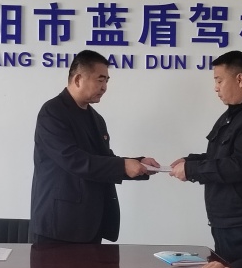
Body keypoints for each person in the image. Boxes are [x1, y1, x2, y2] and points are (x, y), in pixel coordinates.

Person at [170, 50, 242, 262]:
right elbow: (221, 156)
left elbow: (241, 164)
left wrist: (192, 170)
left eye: (219, 80)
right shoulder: (235, 114)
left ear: (240, 79)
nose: (215, 87)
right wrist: (191, 161)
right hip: (233, 224)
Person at [30, 50, 159, 243]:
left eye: (107, 80)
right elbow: (74, 160)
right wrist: (123, 166)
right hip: (58, 225)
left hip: (91, 222)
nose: (105, 87)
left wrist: (139, 164)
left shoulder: (96, 119)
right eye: (100, 80)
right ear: (78, 79)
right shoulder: (52, 112)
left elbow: (103, 159)